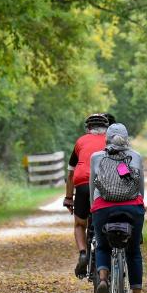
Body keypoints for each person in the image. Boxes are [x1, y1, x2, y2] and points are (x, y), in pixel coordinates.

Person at [89, 123, 147, 293]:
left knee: (103, 246)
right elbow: (141, 189)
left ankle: (103, 279)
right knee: (134, 251)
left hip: (103, 209)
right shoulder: (136, 156)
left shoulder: (97, 157)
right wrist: (139, 206)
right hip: (132, 208)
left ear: (106, 138)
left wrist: (93, 209)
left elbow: (92, 188)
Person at [64, 113, 110, 277]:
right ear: (107, 128)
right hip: (105, 183)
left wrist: (69, 198)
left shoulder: (80, 141)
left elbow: (70, 174)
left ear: (88, 129)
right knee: (106, 217)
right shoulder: (110, 140)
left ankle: (83, 253)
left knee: (79, 224)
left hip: (83, 183)